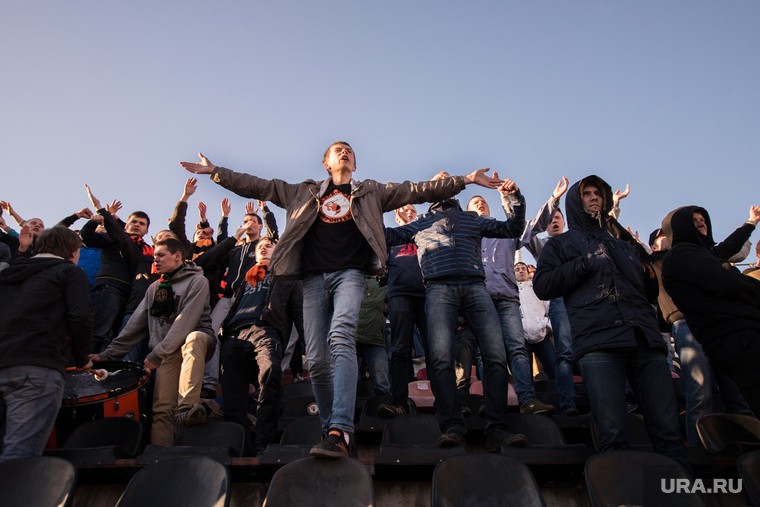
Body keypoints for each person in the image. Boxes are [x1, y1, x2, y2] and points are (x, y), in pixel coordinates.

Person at [181, 142, 501, 458]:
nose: (344, 153)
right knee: (318, 360)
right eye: (338, 151)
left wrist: (465, 180)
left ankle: (341, 429)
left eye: (349, 151)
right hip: (313, 279)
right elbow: (259, 186)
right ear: (327, 164)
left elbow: (415, 189)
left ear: (355, 165)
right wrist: (215, 172)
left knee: (341, 335)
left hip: (350, 274)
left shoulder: (371, 192)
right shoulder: (302, 192)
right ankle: (330, 431)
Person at [533, 175, 689, 471]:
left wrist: (646, 275)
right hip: (598, 342)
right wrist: (582, 264)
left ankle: (681, 497)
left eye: (598, 193)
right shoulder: (560, 244)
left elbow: (649, 290)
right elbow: (542, 285)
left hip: (644, 338)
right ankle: (622, 498)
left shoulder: (622, 244)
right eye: (587, 194)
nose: (594, 197)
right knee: (613, 432)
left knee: (668, 432)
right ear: (575, 202)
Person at [385, 177, 528, 451]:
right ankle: (452, 426)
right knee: (440, 359)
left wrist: (514, 200)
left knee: (497, 356)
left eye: (446, 179)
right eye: (437, 181)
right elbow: (388, 235)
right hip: (438, 287)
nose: (443, 183)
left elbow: (513, 227)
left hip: (476, 285)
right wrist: (360, 209)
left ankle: (497, 428)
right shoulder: (421, 221)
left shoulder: (472, 218)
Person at [91, 238, 216, 446]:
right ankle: (160, 458)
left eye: (160, 255)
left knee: (193, 339)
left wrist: (156, 354)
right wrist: (106, 355)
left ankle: (187, 409)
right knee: (161, 410)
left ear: (177, 256)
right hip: (167, 353)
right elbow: (133, 327)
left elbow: (185, 322)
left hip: (194, 342)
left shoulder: (198, 281)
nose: (155, 259)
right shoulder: (155, 288)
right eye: (154, 255)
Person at [466, 177, 569, 415]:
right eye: (474, 203)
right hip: (480, 298)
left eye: (482, 201)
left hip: (507, 298)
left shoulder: (505, 230)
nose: (480, 203)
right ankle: (488, 400)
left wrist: (554, 199)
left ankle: (527, 400)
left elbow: (534, 225)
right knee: (486, 353)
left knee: (517, 349)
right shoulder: (467, 235)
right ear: (468, 212)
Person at [0, 225, 93, 461]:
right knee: (19, 455)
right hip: (37, 368)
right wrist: (82, 359)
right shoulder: (69, 272)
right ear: (72, 252)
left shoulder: (7, 274)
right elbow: (80, 316)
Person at [661, 205, 760, 417]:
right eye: (694, 219)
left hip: (742, 336)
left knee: (740, 400)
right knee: (701, 395)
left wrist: (751, 223)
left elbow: (730, 246)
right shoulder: (680, 256)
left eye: (703, 219)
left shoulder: (704, 254)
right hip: (729, 338)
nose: (701, 222)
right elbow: (728, 282)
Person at [217, 237, 286, 456]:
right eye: (259, 246)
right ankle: (239, 443)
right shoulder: (245, 280)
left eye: (268, 245)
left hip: (266, 330)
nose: (263, 247)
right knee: (231, 386)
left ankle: (263, 442)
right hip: (235, 333)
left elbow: (299, 313)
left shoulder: (286, 277)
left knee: (270, 372)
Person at [525, 208, 578, 415]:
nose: (554, 221)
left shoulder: (577, 241)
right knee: (564, 353)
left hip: (585, 299)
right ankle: (567, 404)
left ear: (564, 222)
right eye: (550, 219)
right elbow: (527, 235)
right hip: (560, 300)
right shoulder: (543, 246)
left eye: (558, 218)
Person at [379, 204, 429, 417]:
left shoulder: (425, 232)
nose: (409, 211)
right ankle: (399, 402)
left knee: (435, 348)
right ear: (396, 215)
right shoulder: (390, 237)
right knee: (400, 348)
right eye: (404, 209)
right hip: (399, 293)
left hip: (428, 292)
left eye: (412, 209)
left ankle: (446, 399)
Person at [514, 261, 556, 378]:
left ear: (528, 273)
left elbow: (549, 308)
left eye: (523, 269)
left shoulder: (538, 289)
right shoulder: (511, 291)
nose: (521, 271)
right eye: (517, 270)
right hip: (523, 338)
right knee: (526, 375)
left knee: (554, 368)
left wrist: (548, 327)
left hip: (542, 335)